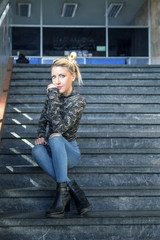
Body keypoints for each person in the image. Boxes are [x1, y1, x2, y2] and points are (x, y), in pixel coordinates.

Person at [32, 52, 91, 218]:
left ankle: (61, 197)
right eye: (53, 77)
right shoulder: (52, 96)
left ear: (72, 76)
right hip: (52, 146)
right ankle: (72, 189)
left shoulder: (79, 101)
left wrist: (53, 97)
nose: (56, 81)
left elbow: (59, 128)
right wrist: (40, 136)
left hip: (70, 151)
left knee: (56, 136)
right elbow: (43, 120)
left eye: (62, 76)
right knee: (36, 150)